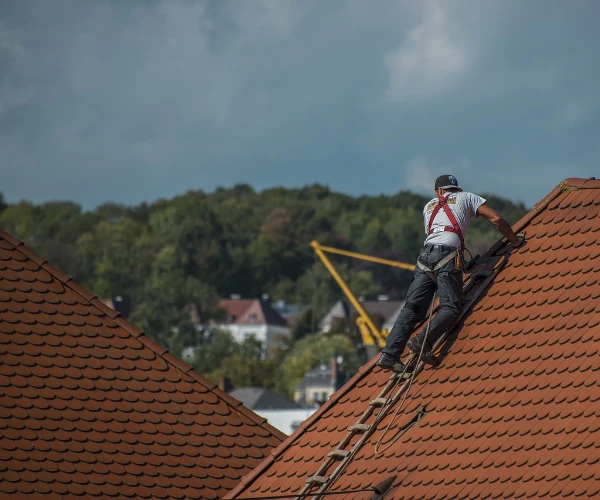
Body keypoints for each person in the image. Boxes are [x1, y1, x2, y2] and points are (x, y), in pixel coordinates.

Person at [376, 174, 524, 374]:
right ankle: (422, 341)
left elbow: (438, 232)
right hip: (446, 255)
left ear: (438, 191)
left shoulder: (428, 206)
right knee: (452, 307)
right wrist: (514, 240)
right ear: (454, 189)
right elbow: (496, 219)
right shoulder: (467, 197)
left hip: (425, 258)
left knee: (412, 308)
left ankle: (389, 355)